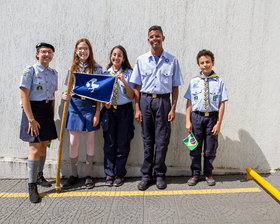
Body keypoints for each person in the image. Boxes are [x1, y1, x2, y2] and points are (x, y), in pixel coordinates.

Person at [130, 25, 184, 190]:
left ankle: (160, 174)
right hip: (146, 101)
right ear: (148, 40)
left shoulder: (172, 60)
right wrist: (137, 108)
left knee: (162, 141)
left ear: (163, 38)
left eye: (157, 36)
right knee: (148, 141)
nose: (155, 39)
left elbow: (175, 87)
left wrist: (173, 108)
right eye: (152, 37)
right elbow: (137, 87)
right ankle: (146, 175)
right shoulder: (141, 60)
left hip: (163, 102)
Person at [20, 43, 58, 203]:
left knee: (44, 145)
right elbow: (24, 96)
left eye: (50, 52)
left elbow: (53, 95)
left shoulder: (53, 73)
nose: (47, 55)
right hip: (33, 112)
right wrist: (30, 119)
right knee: (34, 149)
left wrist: (52, 114)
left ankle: (39, 175)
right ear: (37, 54)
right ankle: (31, 185)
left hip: (47, 111)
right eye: (43, 52)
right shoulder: (30, 71)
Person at [62, 38, 102, 189]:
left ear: (90, 50)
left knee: (90, 141)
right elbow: (68, 90)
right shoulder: (73, 68)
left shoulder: (97, 69)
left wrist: (97, 112)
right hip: (75, 107)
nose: (83, 51)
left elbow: (100, 94)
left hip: (90, 107)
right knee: (73, 142)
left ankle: (88, 175)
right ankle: (74, 174)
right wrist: (64, 96)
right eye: (80, 48)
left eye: (85, 48)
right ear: (76, 51)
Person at [184, 49, 228, 186]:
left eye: (207, 62)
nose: (205, 65)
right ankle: (195, 174)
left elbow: (222, 104)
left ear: (212, 63)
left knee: (210, 149)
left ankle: (208, 174)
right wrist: (188, 121)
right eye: (202, 63)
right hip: (196, 117)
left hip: (212, 119)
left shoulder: (219, 81)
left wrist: (218, 123)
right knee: (194, 148)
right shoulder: (194, 81)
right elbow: (189, 102)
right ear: (199, 65)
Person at [102, 45, 135, 187]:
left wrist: (124, 81)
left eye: (119, 55)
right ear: (111, 56)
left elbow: (132, 95)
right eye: (114, 54)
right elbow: (101, 94)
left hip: (124, 111)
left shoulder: (129, 73)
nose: (116, 57)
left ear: (124, 58)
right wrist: (105, 103)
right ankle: (109, 173)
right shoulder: (105, 73)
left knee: (122, 144)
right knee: (109, 143)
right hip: (109, 112)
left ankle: (119, 174)